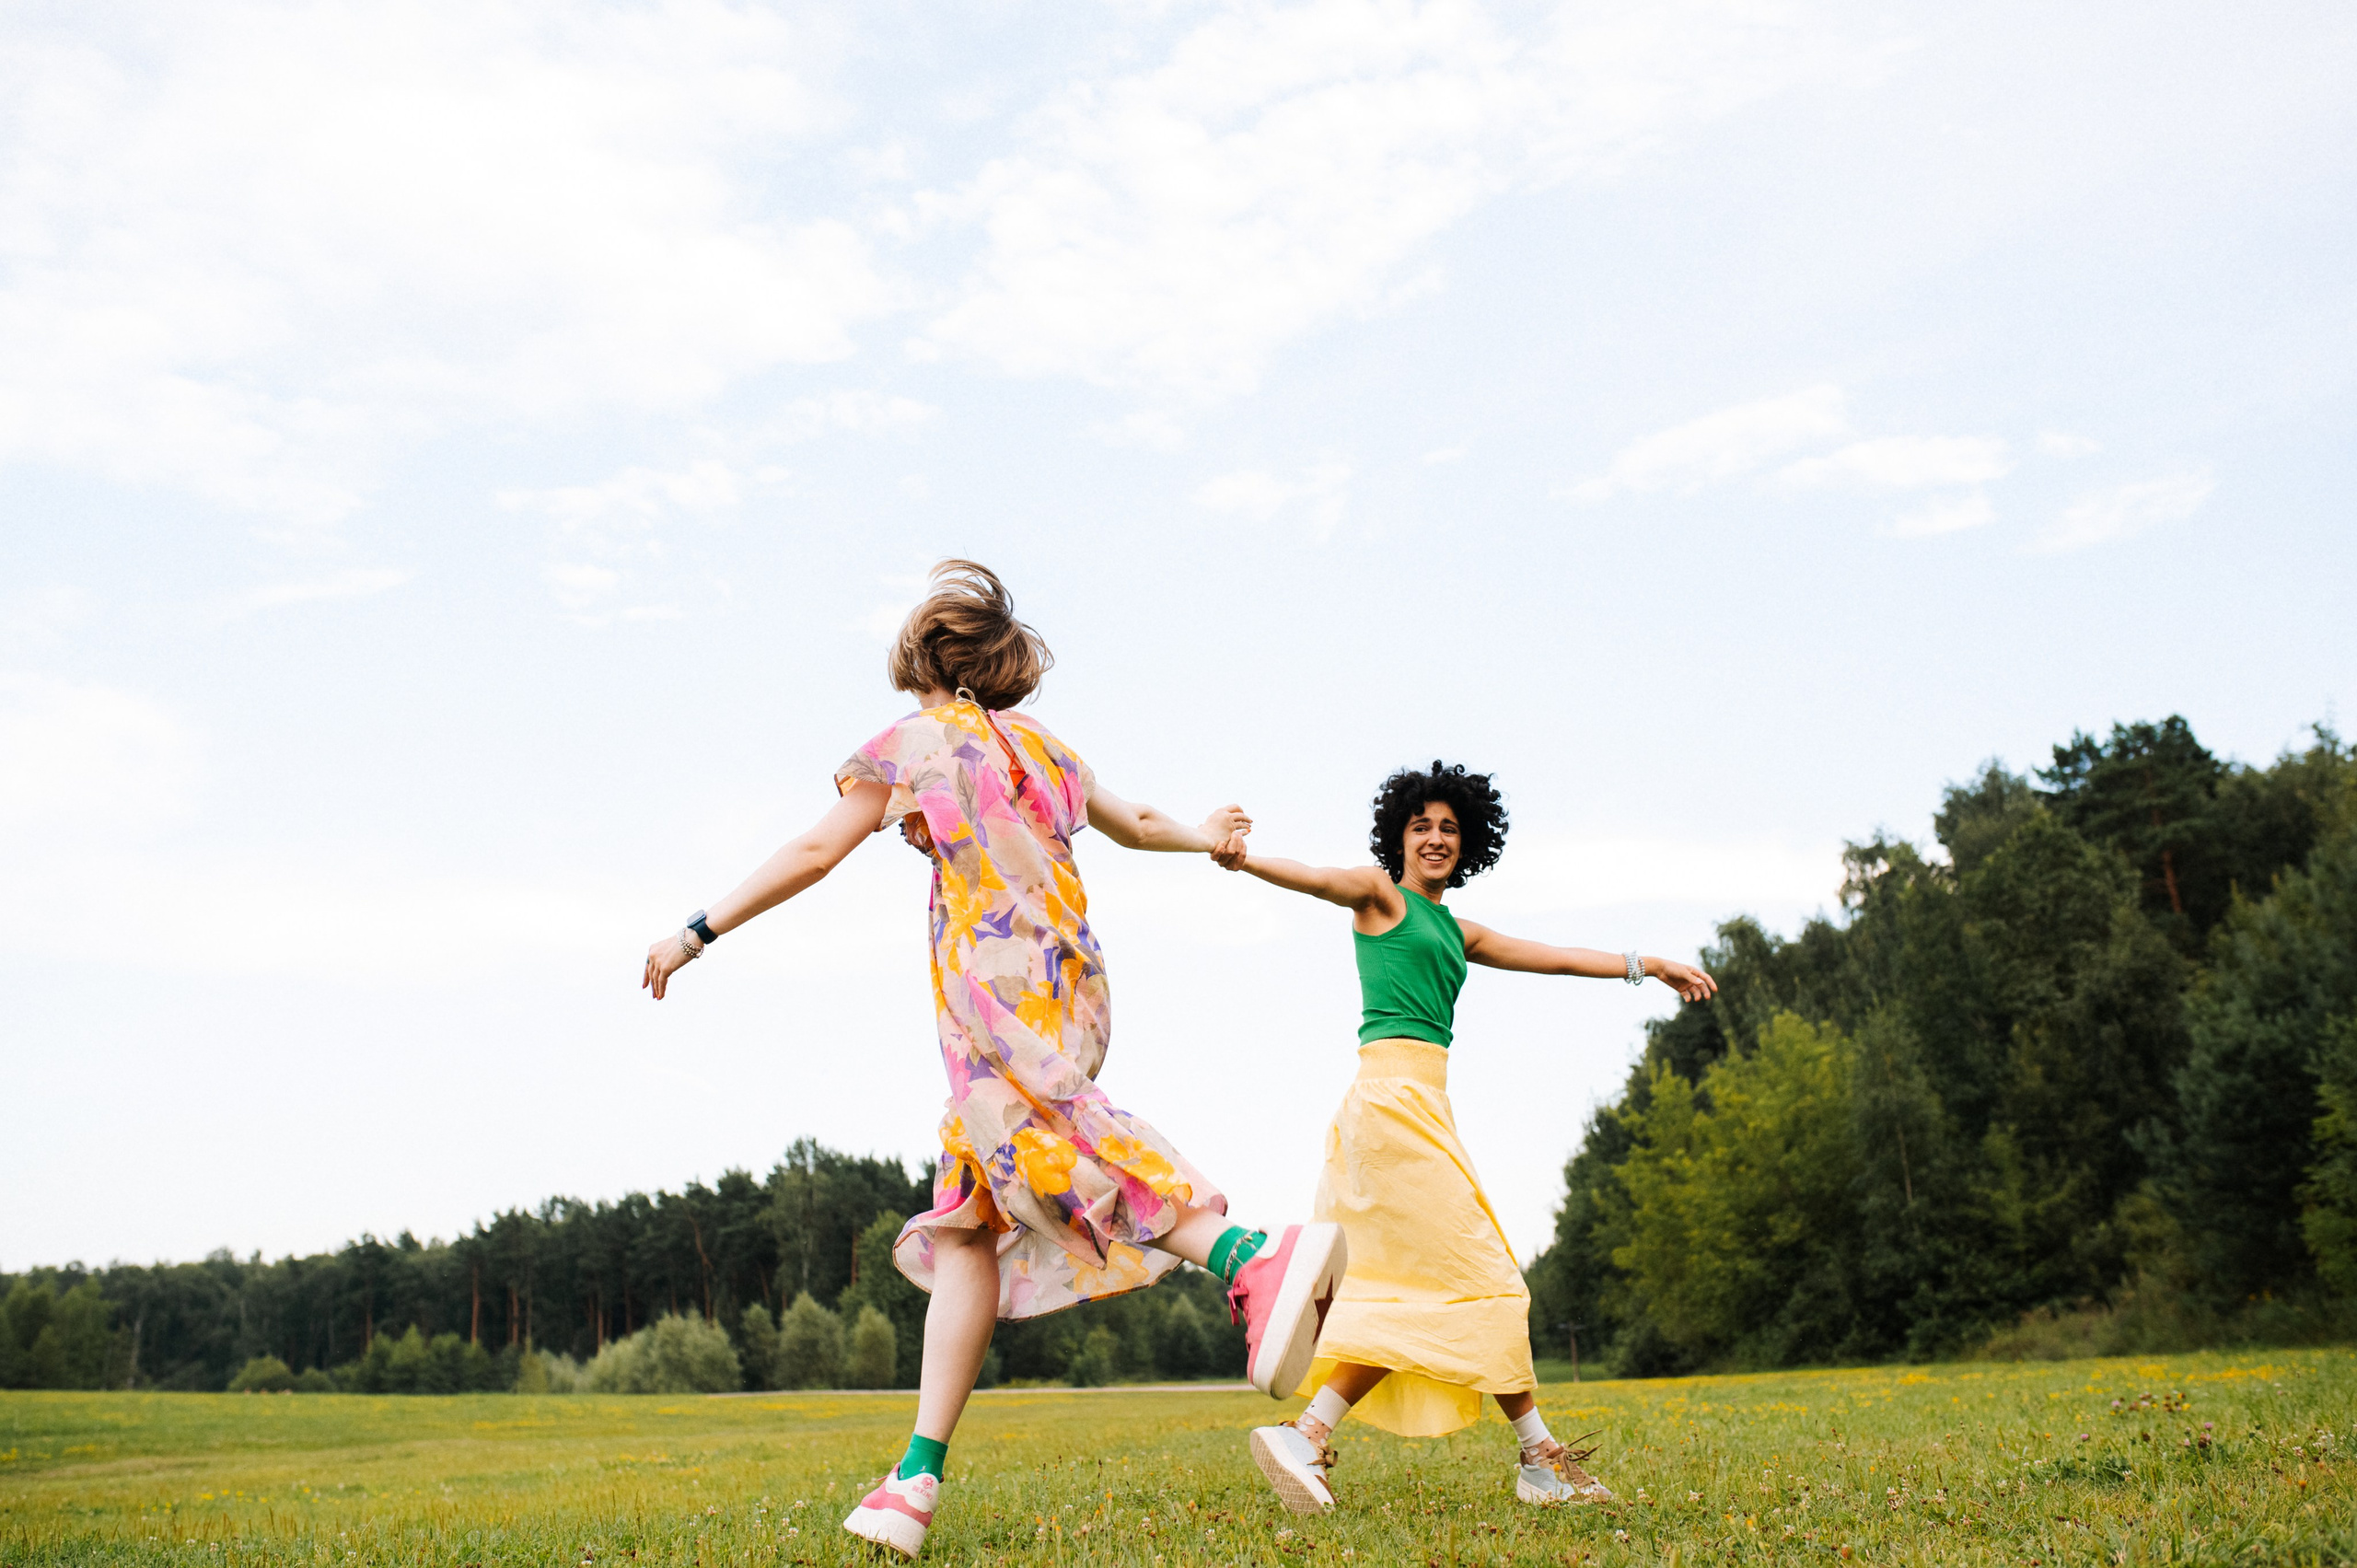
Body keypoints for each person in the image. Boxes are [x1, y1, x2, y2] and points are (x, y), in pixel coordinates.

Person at [642, 561, 1344, 1560]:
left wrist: (697, 929)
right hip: (1072, 981)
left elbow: (812, 850)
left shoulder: (915, 743)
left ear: (923, 658)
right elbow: (1139, 826)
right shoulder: (1043, 746)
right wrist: (1208, 839)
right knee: (969, 1221)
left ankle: (1245, 1254)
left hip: (990, 985)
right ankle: (914, 1478)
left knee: (1056, 1151)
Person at [1208, 761, 1716, 1514]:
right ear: (1400, 838)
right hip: (1387, 1110)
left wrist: (1649, 965)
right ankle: (1533, 1458)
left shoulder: (1458, 928)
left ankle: (1319, 1434)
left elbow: (1559, 957)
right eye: (1422, 826)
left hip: (1423, 1110)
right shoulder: (1381, 899)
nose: (1436, 837)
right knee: (1493, 1280)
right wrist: (1244, 857)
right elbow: (1317, 878)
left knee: (1422, 1293)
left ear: (1467, 840)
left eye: (1449, 827)